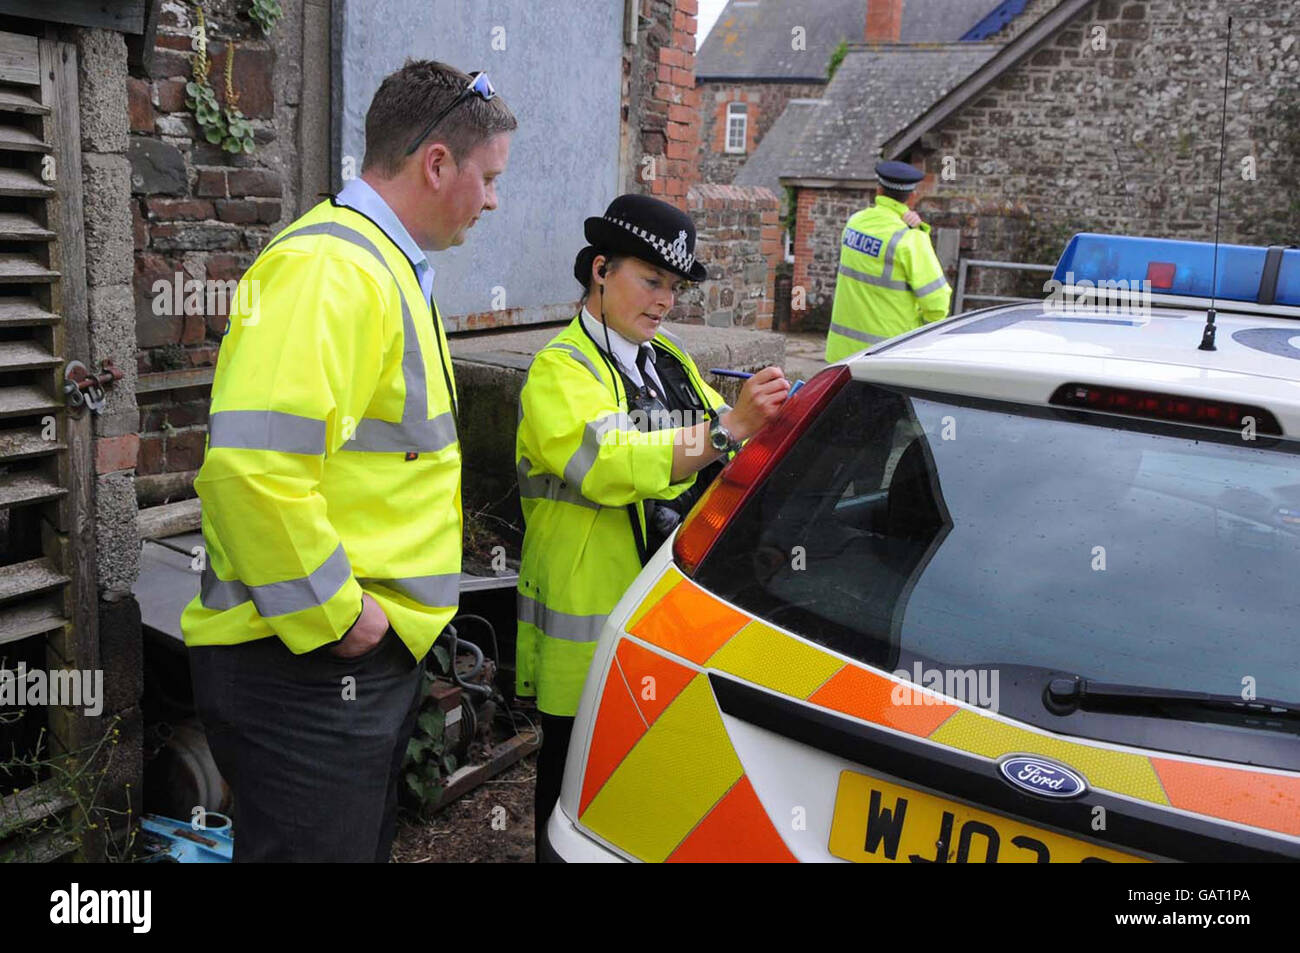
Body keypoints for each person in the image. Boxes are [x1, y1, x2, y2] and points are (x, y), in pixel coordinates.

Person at [180, 61, 516, 862]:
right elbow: (252, 470)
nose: (495, 199)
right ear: (437, 163)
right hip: (304, 663)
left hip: (339, 661)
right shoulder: (334, 269)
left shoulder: (380, 264)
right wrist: (342, 614)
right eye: (489, 177)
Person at [514, 194, 790, 857]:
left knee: (643, 780)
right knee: (570, 789)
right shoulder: (561, 369)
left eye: (673, 286)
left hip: (663, 616)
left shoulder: (665, 360)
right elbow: (611, 462)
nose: (664, 300)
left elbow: (719, 437)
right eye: (650, 280)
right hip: (587, 629)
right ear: (600, 271)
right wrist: (729, 430)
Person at [824, 159, 952, 361]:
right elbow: (937, 304)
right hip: (886, 356)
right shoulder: (910, 238)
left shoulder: (854, 223)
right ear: (912, 196)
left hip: (841, 354)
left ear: (878, 190)